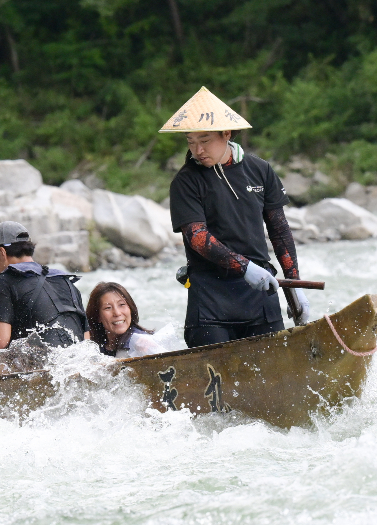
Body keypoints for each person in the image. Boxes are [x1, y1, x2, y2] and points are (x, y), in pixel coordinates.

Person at [162, 87, 310, 347]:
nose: (197, 149)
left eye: (205, 140)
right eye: (190, 141)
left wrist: (294, 285)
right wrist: (245, 267)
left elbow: (279, 230)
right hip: (210, 298)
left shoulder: (260, 170)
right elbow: (197, 237)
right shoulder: (185, 181)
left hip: (261, 292)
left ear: (226, 134)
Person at [0, 222, 87, 353]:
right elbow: (86, 339)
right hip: (76, 360)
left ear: (2, 252)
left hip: (41, 366)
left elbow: (0, 342)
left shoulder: (5, 280)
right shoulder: (64, 280)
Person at [86, 282, 159, 357]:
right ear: (98, 316)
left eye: (122, 305)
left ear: (130, 308)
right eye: (108, 308)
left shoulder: (141, 340)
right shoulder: (94, 346)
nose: (117, 313)